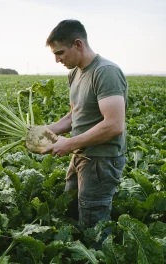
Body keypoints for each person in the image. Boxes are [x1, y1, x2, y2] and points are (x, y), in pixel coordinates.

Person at [43, 20, 128, 245]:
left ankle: (97, 256)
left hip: (100, 159)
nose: (57, 59)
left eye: (60, 52)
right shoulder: (75, 73)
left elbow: (114, 125)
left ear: (78, 44)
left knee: (93, 225)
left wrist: (69, 144)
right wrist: (46, 131)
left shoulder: (105, 72)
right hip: (80, 154)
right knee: (71, 209)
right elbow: (74, 116)